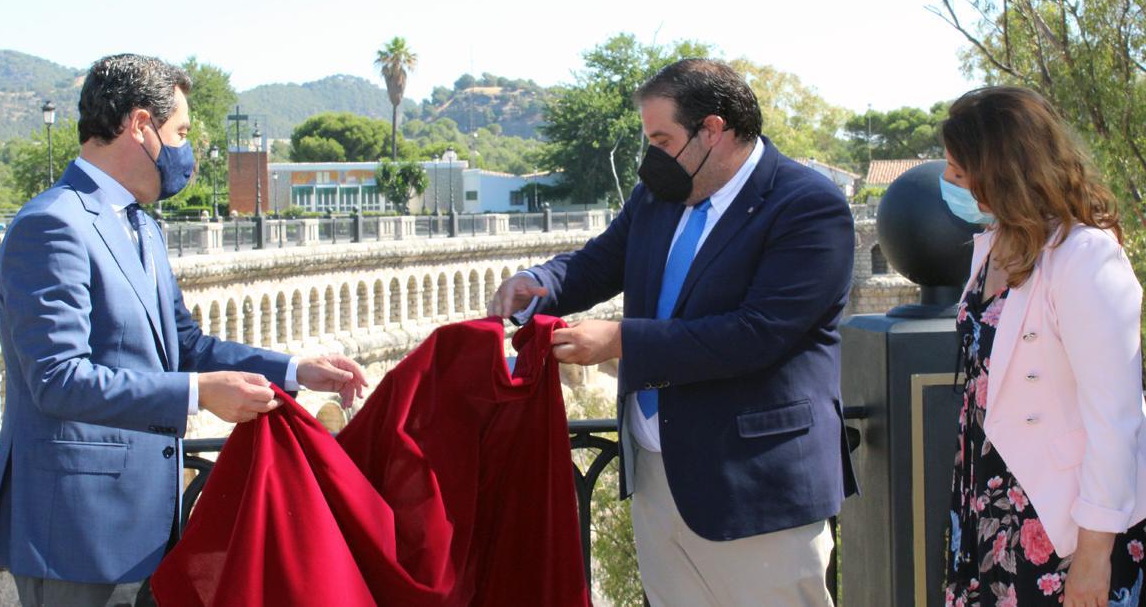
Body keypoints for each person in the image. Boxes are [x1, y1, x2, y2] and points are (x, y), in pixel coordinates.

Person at [0, 54, 368, 607]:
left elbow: (183, 344)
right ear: (140, 126)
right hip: (75, 535)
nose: (186, 150)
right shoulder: (52, 224)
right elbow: (58, 379)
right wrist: (199, 394)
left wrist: (293, 370)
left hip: (148, 527)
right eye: (180, 132)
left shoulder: (143, 227)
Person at [488, 58, 857, 606]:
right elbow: (599, 262)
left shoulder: (807, 207)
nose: (651, 157)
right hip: (658, 475)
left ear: (713, 130)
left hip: (756, 487)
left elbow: (756, 334)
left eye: (662, 139)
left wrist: (620, 342)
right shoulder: (658, 196)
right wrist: (538, 282)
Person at [940, 86, 1146, 607]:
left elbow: (1115, 415)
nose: (947, 181)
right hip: (985, 498)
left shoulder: (1084, 257)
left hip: (1060, 518)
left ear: (1002, 171)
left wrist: (1095, 553)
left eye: (959, 171)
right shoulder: (991, 245)